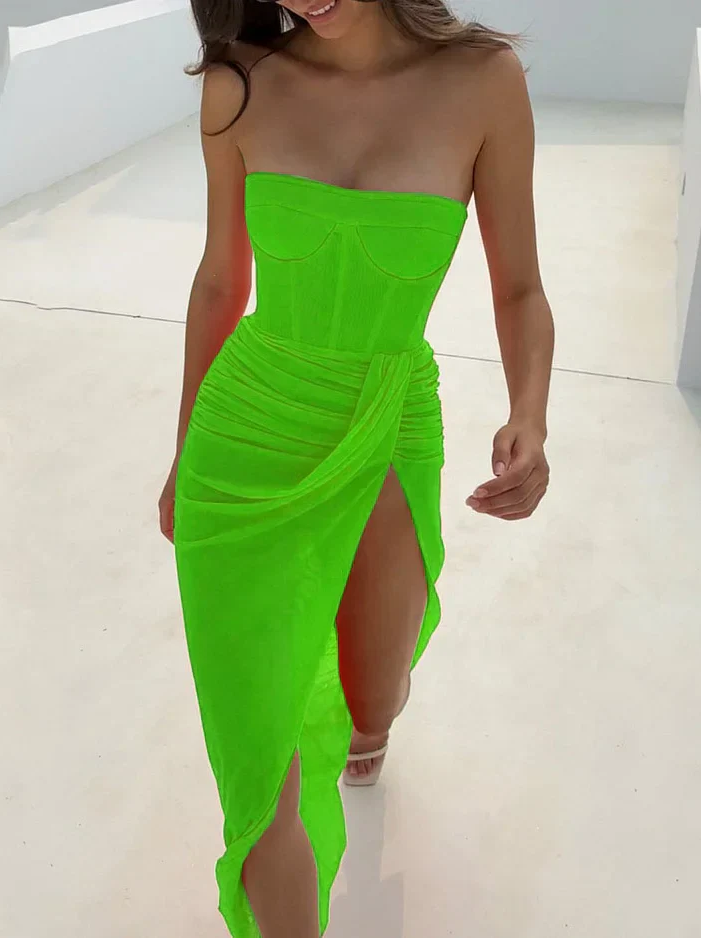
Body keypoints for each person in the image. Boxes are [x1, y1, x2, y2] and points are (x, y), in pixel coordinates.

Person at [158, 0, 554, 935]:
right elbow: (220, 281)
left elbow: (520, 286)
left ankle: (369, 725)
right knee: (261, 769)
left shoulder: (484, 81)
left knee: (373, 692)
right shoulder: (240, 83)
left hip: (387, 416)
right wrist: (182, 455)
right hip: (243, 439)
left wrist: (529, 416)